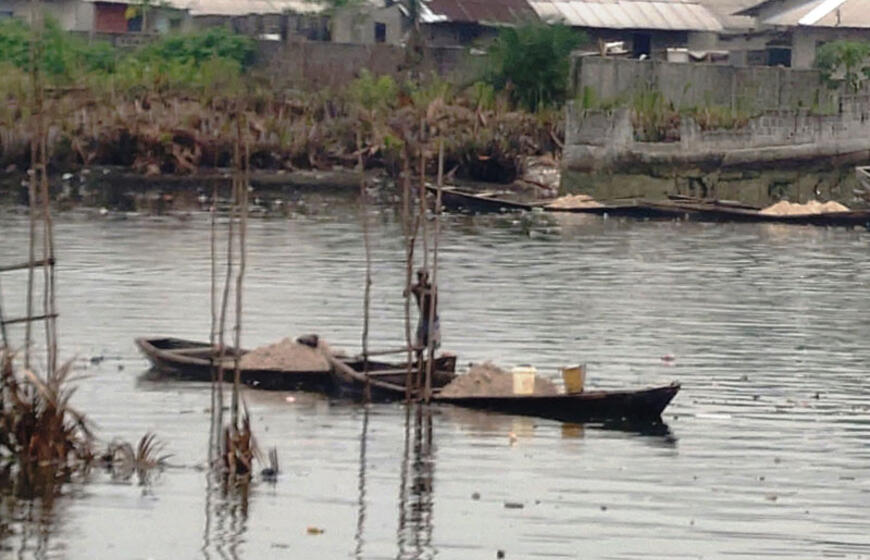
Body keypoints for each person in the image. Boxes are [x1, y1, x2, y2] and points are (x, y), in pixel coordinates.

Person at [410, 268, 440, 355]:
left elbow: (431, 293)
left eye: (422, 277)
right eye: (419, 277)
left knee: (432, 344)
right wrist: (410, 289)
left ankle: (430, 362)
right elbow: (405, 293)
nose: (420, 279)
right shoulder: (416, 288)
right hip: (423, 319)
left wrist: (421, 291)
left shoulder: (431, 287)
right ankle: (419, 363)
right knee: (419, 345)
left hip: (432, 319)